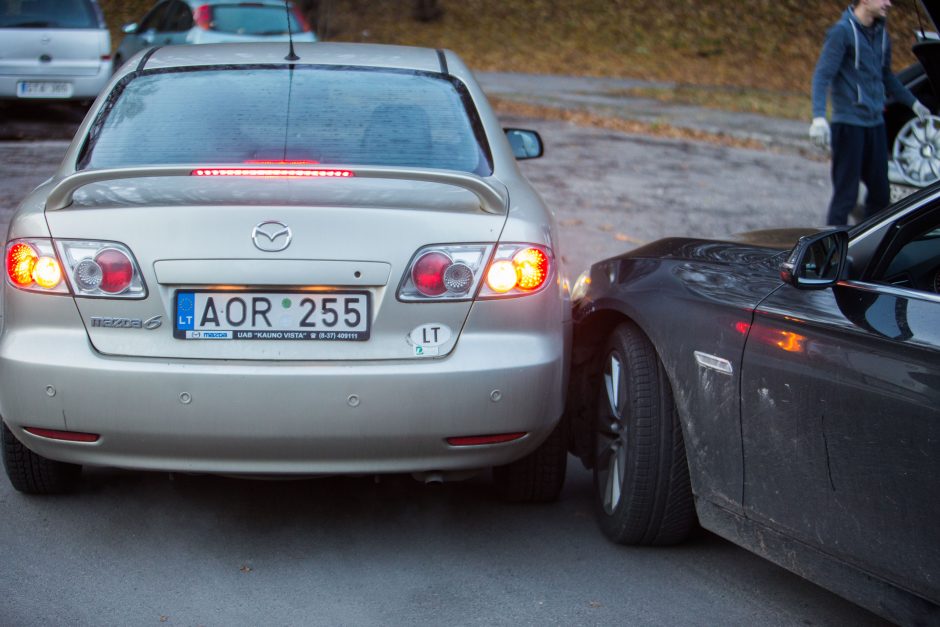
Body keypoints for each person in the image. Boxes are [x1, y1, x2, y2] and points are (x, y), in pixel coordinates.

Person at [810, 0, 930, 225]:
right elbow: (822, 76)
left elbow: (886, 76)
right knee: (845, 197)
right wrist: (818, 117)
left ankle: (868, 248)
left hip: (875, 125)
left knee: (880, 195)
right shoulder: (842, 32)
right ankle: (832, 251)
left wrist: (913, 104)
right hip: (849, 125)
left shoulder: (882, 35)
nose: (889, 3)